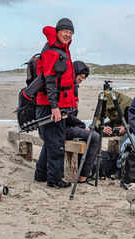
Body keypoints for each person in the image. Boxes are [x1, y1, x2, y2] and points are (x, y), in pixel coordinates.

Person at [34, 18, 76, 189]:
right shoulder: (52, 51)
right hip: (50, 106)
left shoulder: (61, 49)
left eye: (71, 33)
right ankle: (54, 180)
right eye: (65, 31)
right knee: (57, 144)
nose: (68, 35)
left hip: (56, 104)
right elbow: (50, 81)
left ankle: (41, 175)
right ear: (58, 32)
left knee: (51, 141)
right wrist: (55, 107)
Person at [64, 61, 99, 185]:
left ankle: (81, 172)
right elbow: (67, 115)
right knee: (94, 137)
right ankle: (82, 177)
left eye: (83, 78)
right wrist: (83, 126)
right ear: (74, 73)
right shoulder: (68, 86)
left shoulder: (70, 85)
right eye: (80, 76)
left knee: (87, 135)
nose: (81, 80)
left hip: (58, 126)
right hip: (63, 127)